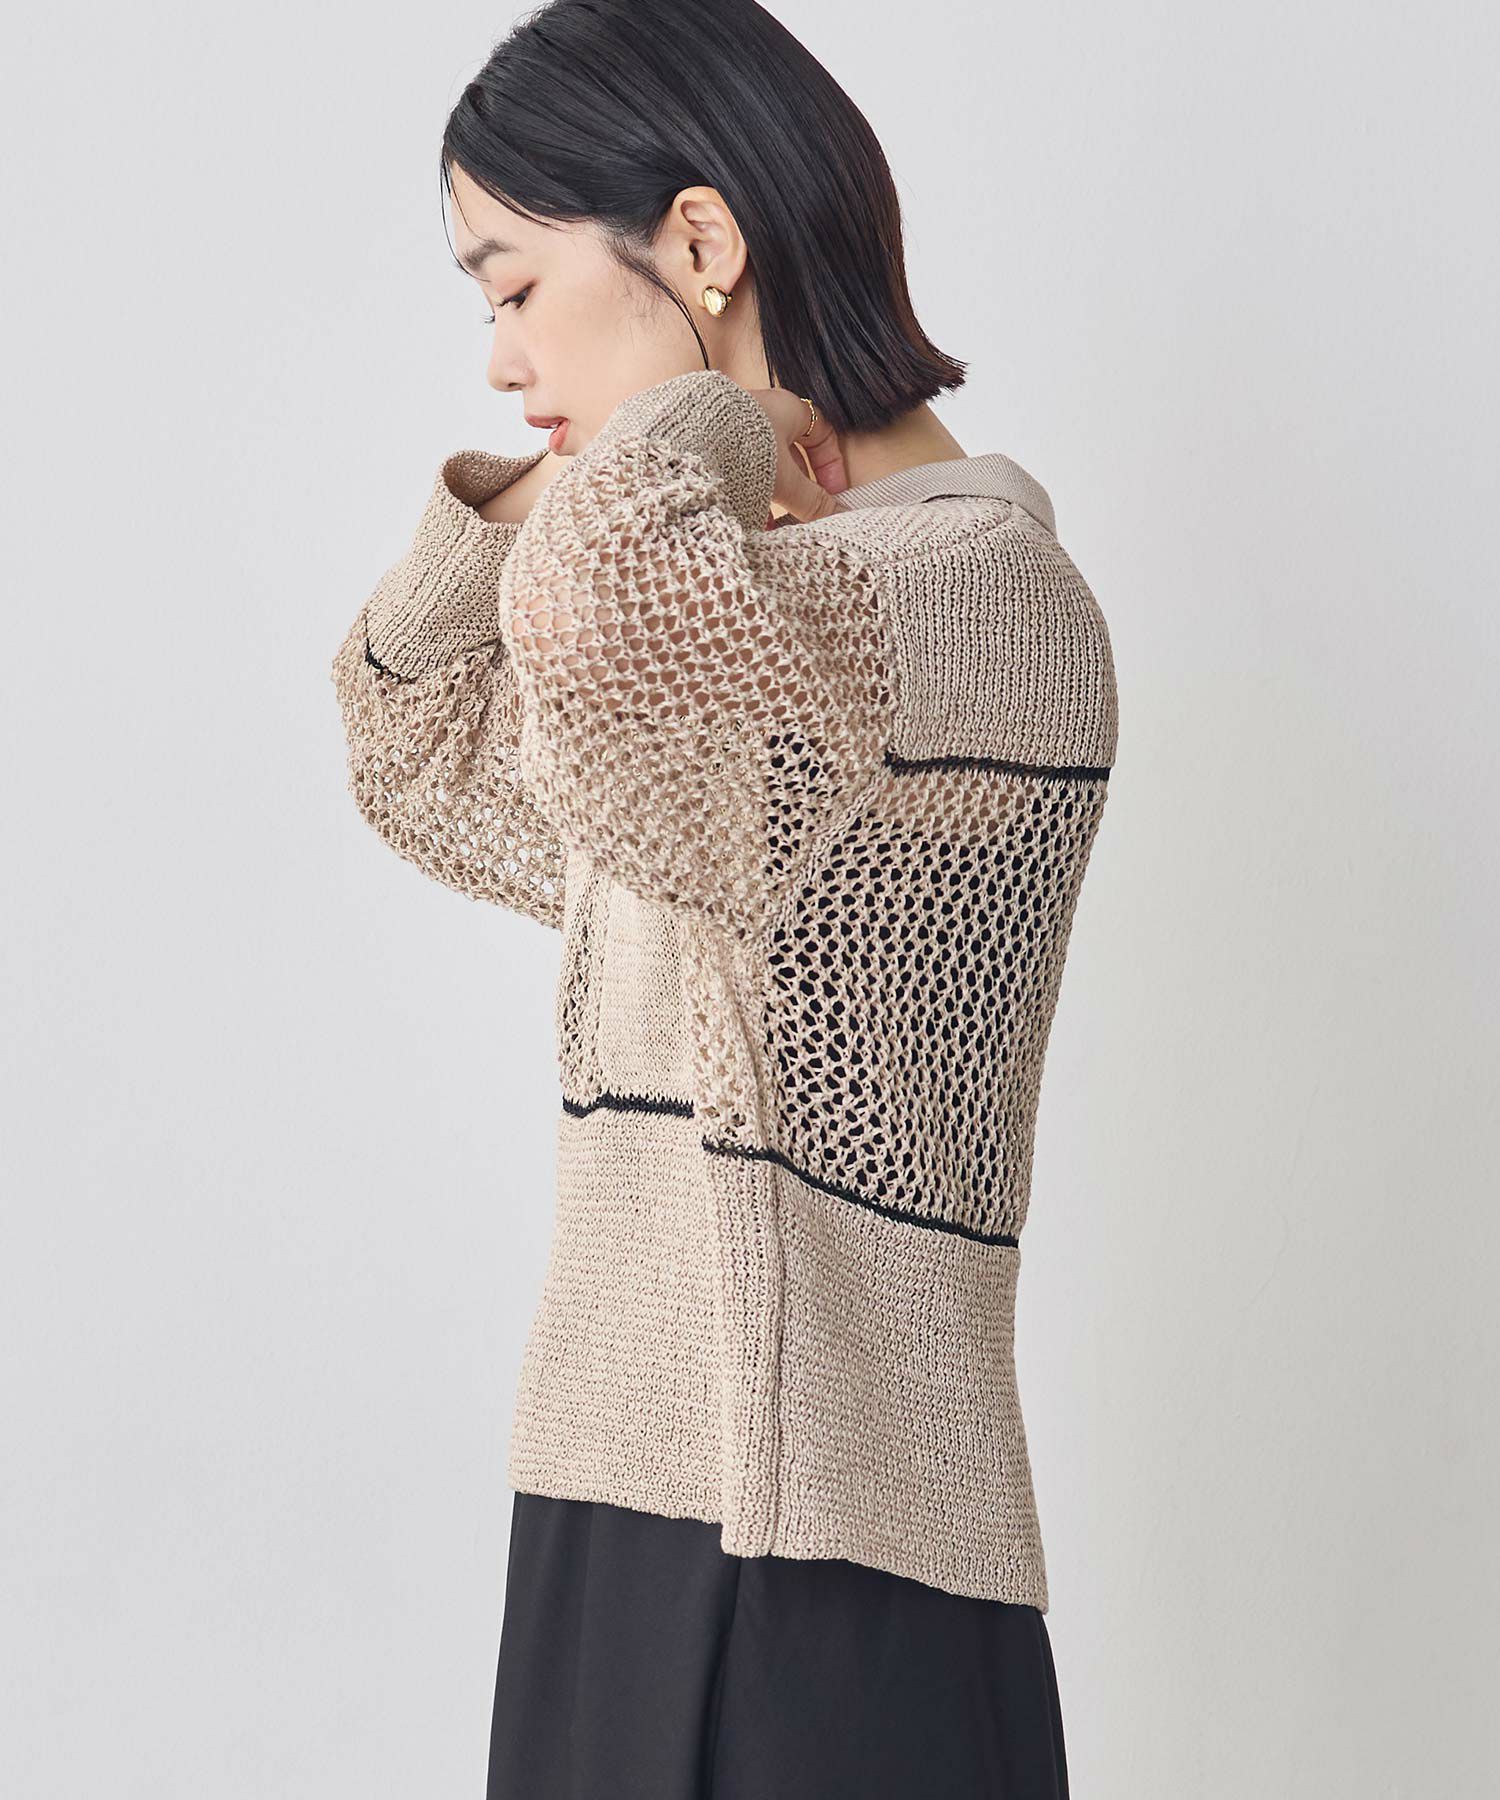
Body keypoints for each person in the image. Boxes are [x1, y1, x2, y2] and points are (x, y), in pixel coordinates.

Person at [329, 1, 1118, 1793]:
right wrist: (568, 473)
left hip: (821, 1557)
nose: (500, 357)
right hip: (615, 1505)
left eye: (514, 287)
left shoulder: (971, 600)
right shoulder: (747, 622)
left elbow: (591, 615)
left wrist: (688, 425)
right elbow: (407, 733)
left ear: (700, 240)